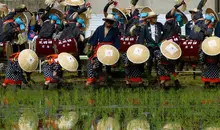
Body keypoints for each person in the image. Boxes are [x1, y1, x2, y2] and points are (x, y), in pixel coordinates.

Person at [86, 14, 120, 86]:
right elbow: (94, 39)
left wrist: (117, 52)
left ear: (112, 23)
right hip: (100, 47)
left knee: (108, 61)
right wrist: (91, 48)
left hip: (109, 48)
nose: (109, 23)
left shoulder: (114, 31)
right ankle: (93, 78)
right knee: (93, 62)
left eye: (111, 22)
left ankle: (107, 76)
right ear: (105, 21)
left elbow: (116, 41)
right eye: (108, 21)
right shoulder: (99, 28)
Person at [137, 10, 164, 76]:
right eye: (154, 17)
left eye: (156, 17)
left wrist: (164, 39)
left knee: (160, 60)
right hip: (150, 46)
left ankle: (160, 75)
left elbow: (166, 32)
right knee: (149, 61)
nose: (155, 19)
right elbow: (141, 38)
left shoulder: (159, 25)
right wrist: (141, 46)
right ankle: (149, 75)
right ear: (149, 19)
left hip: (159, 46)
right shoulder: (145, 27)